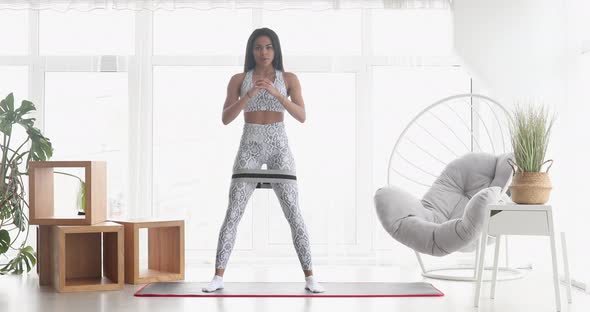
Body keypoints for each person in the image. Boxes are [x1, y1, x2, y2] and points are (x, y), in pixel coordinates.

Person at [202, 28, 324, 293]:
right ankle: (218, 277)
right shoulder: (239, 79)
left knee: (293, 211)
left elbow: (302, 115)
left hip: (279, 144)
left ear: (276, 49)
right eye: (258, 47)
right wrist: (249, 95)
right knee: (233, 212)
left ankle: (311, 278)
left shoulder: (288, 78)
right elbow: (225, 118)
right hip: (250, 144)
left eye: (268, 47)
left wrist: (278, 94)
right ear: (251, 51)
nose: (264, 52)